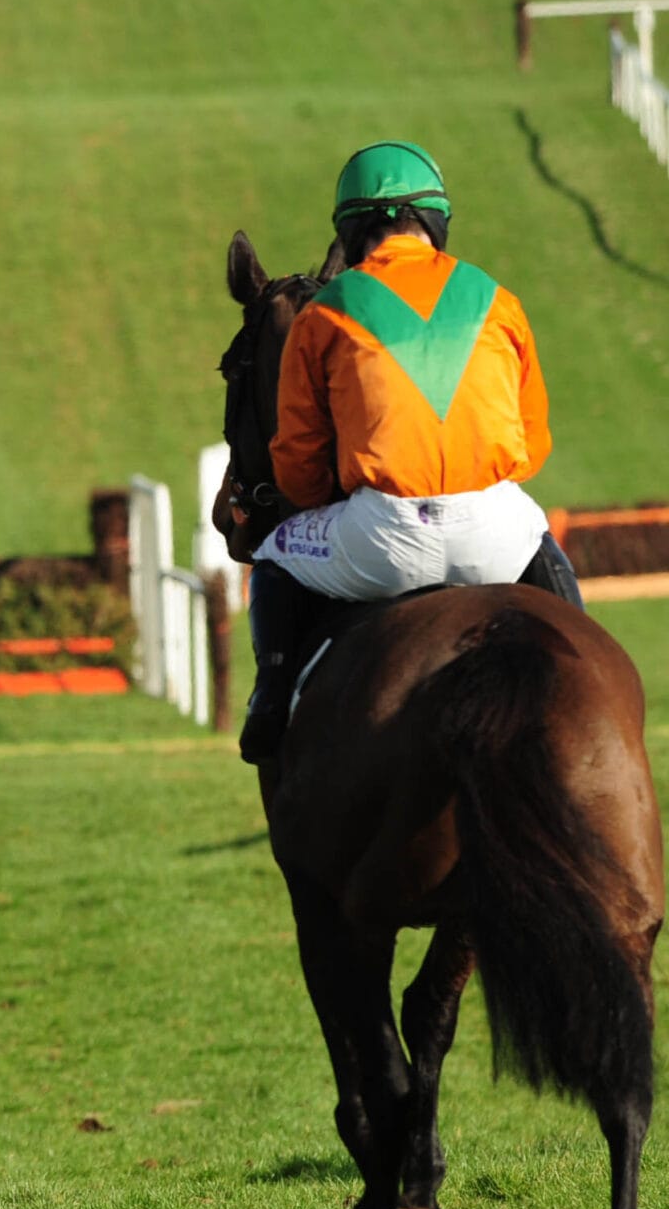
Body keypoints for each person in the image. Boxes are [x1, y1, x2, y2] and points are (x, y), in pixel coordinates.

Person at [239, 142, 579, 764]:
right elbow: (531, 447)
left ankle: (270, 698)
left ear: (352, 229)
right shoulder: (497, 299)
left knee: (271, 558)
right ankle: (579, 679)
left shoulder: (323, 316)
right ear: (437, 222)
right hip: (496, 532)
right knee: (540, 537)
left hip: (384, 539)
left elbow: (298, 465)